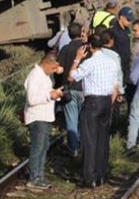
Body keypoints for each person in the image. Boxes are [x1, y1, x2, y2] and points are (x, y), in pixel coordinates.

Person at [69, 34, 120, 188]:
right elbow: (115, 87)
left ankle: (89, 177)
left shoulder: (89, 63)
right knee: (103, 140)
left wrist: (77, 58)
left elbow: (72, 77)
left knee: (90, 140)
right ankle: (101, 174)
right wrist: (109, 103)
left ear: (90, 46)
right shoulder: (111, 62)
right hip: (106, 101)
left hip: (92, 103)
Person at [23, 54, 64, 190]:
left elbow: (46, 93)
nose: (54, 71)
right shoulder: (35, 76)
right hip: (37, 117)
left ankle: (39, 175)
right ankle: (34, 177)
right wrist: (49, 95)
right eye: (53, 68)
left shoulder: (44, 75)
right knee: (37, 147)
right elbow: (31, 99)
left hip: (45, 116)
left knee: (44, 146)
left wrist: (55, 94)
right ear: (46, 64)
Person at [55, 23, 86, 157]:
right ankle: (83, 147)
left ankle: (74, 150)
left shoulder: (65, 49)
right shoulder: (86, 49)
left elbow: (59, 69)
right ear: (82, 33)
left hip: (69, 90)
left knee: (71, 121)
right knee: (83, 121)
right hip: (85, 89)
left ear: (68, 34)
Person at [111, 7, 134, 88]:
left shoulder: (127, 30)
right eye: (128, 19)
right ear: (121, 17)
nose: (129, 22)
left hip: (126, 65)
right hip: (118, 64)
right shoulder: (114, 31)